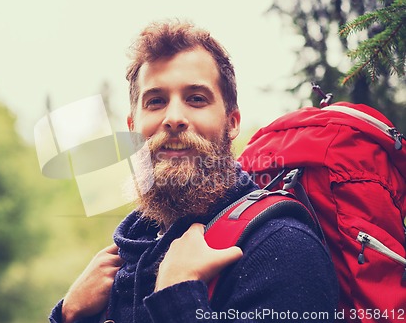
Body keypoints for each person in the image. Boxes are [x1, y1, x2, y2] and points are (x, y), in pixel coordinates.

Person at [49, 20, 339, 323]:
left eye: (196, 99)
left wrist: (178, 297)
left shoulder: (282, 247)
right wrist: (67, 316)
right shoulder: (124, 261)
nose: (174, 118)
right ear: (133, 128)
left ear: (232, 122)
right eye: (156, 101)